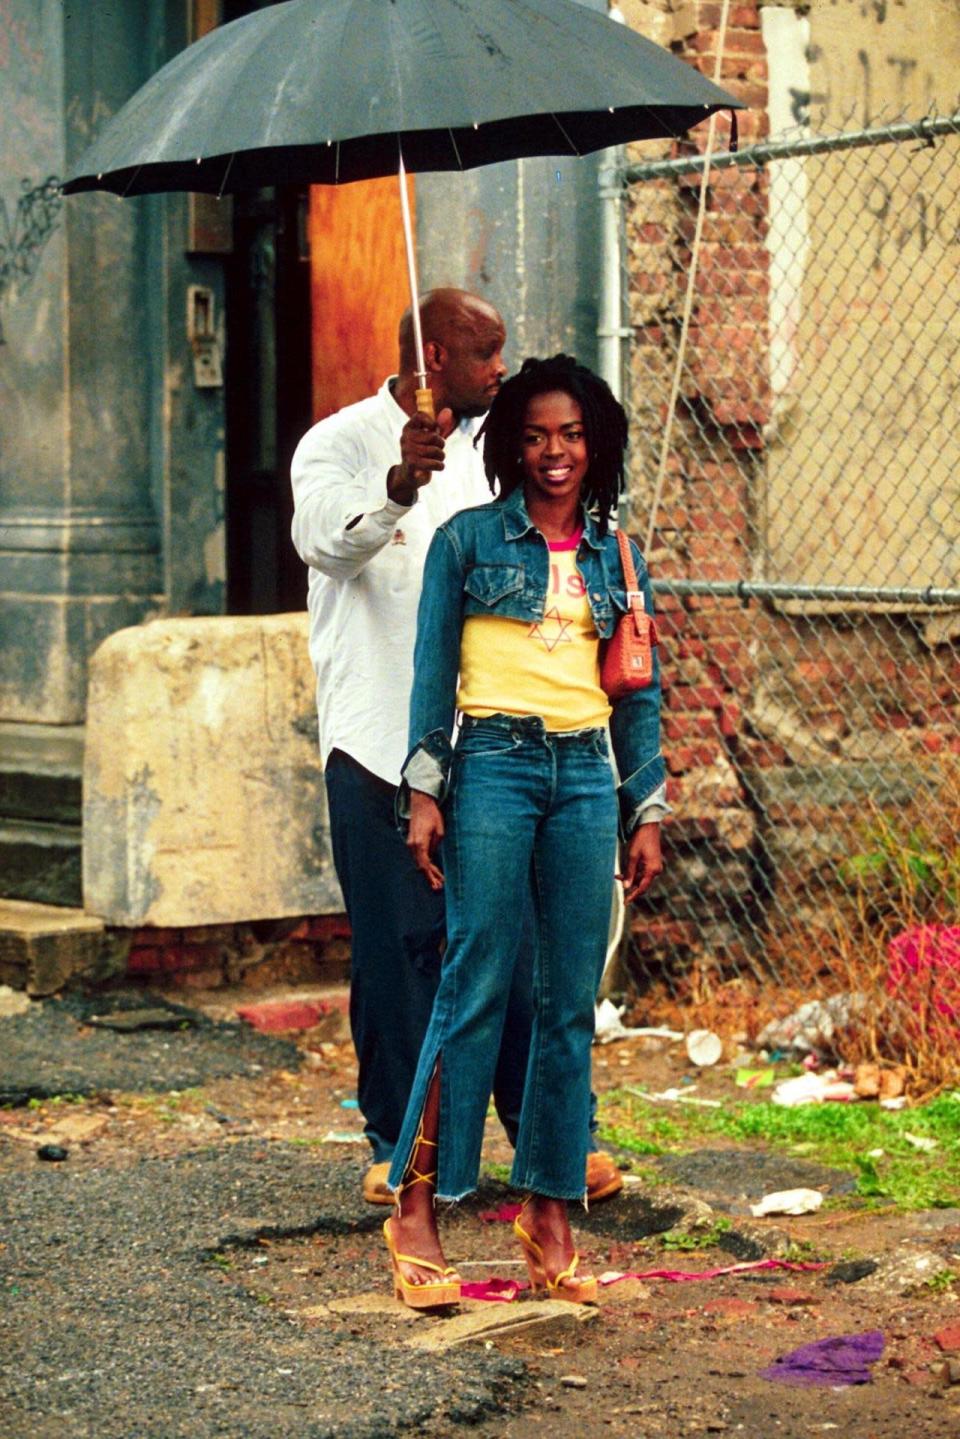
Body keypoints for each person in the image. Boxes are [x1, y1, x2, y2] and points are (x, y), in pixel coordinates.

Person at [290, 294, 624, 1207]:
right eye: (486, 356)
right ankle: (399, 1145)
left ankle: (546, 1137)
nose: (501, 372)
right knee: (400, 950)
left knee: (507, 945)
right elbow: (322, 544)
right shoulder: (338, 443)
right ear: (434, 357)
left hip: (483, 740)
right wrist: (397, 485)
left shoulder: (490, 456)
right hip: (373, 734)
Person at [384, 354, 667, 1309]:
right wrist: (427, 792)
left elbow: (639, 693)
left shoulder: (616, 556)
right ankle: (414, 1206)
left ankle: (547, 1216)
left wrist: (647, 807)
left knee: (566, 1003)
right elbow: (430, 677)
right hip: (494, 770)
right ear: (512, 444)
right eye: (538, 434)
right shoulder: (466, 543)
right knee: (476, 980)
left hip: (586, 779)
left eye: (574, 435)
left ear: (599, 445)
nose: (557, 452)